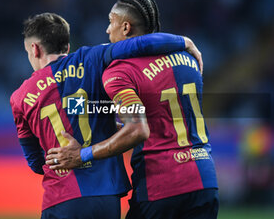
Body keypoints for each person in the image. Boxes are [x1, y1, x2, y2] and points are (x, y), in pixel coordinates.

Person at [10, 12, 202, 219]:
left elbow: (36, 163)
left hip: (61, 198)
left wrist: (62, 160)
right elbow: (140, 44)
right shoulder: (91, 59)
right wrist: (184, 41)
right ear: (66, 46)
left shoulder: (19, 98)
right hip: (107, 198)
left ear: (34, 48)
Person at [46, 0, 218, 219]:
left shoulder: (120, 71)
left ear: (126, 27)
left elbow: (137, 129)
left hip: (161, 186)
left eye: (111, 21)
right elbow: (160, 113)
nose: (108, 30)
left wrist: (82, 154)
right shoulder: (189, 59)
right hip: (205, 180)